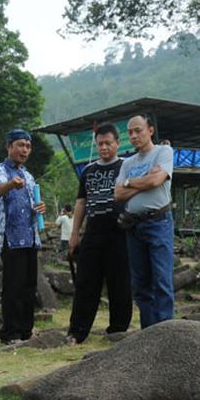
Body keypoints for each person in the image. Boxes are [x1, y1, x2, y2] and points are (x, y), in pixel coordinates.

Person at [66, 123, 132, 344]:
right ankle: (77, 332)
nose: (104, 147)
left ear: (117, 143)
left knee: (119, 282)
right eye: (100, 144)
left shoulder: (127, 166)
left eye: (108, 143)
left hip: (120, 231)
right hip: (93, 232)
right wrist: (75, 233)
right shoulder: (88, 170)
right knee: (86, 282)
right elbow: (81, 203)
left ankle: (118, 330)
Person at [114, 114, 176, 328]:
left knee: (162, 280)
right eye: (130, 132)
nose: (133, 135)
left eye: (137, 130)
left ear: (150, 130)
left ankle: (166, 331)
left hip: (158, 222)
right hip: (133, 225)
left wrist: (129, 183)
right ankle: (148, 333)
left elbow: (157, 180)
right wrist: (143, 181)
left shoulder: (163, 152)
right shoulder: (127, 162)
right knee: (140, 284)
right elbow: (118, 194)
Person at [0, 128, 46, 344]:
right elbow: (0, 189)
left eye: (28, 146)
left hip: (30, 237)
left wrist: (39, 207)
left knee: (29, 287)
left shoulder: (28, 175)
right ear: (9, 147)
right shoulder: (0, 170)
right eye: (20, 145)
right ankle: (10, 333)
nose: (24, 150)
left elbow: (31, 204)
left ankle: (26, 331)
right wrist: (12, 184)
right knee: (13, 287)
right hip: (11, 239)